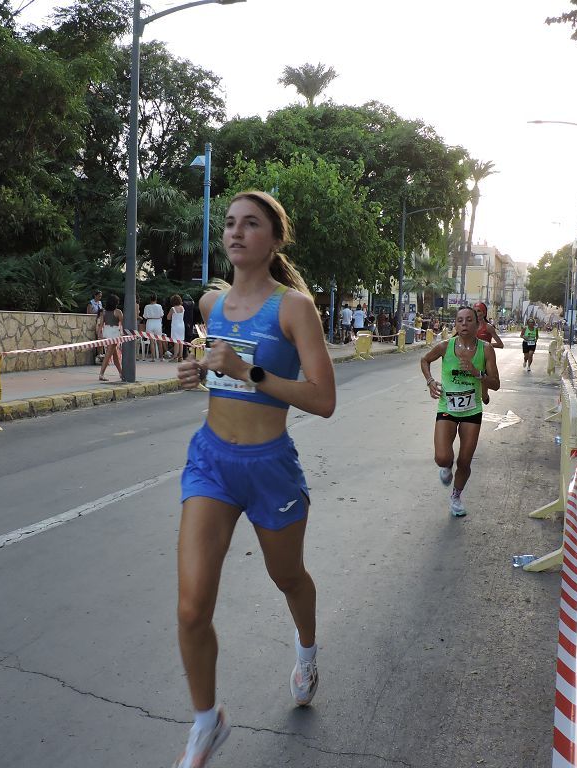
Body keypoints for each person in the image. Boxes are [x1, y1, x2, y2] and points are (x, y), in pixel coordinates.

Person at [173, 191, 336, 768]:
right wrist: (197, 373)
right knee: (192, 608)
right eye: (230, 224)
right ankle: (205, 721)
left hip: (270, 468)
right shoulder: (210, 302)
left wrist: (250, 370)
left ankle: (308, 652)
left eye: (252, 224)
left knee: (288, 577)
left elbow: (324, 400)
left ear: (274, 239)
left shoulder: (294, 308)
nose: (237, 233)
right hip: (211, 462)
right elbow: (219, 377)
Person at [420, 306, 501, 516]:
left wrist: (478, 373)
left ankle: (456, 497)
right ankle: (446, 467)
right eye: (459, 320)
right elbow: (424, 360)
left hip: (472, 411)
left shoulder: (486, 350)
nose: (464, 324)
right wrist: (430, 381)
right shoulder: (445, 346)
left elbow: (496, 384)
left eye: (468, 320)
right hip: (447, 407)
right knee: (442, 458)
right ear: (455, 325)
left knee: (465, 460)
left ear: (477, 324)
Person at [97, 294, 124, 381]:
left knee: (114, 354)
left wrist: (99, 334)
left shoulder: (104, 312)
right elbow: (123, 323)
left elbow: (101, 325)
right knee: (108, 354)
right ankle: (101, 374)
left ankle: (121, 373)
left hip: (106, 332)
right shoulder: (118, 312)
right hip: (114, 333)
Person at [143, 295, 165, 361]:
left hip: (149, 322)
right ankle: (161, 357)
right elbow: (162, 315)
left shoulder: (147, 306)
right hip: (157, 322)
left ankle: (153, 358)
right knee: (159, 341)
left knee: (151, 341)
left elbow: (145, 316)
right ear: (156, 299)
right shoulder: (159, 306)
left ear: (150, 299)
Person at [169, 294, 187, 362]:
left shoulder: (173, 308)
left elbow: (168, 317)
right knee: (181, 341)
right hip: (182, 325)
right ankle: (181, 357)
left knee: (176, 341)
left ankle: (175, 357)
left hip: (175, 326)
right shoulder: (182, 308)